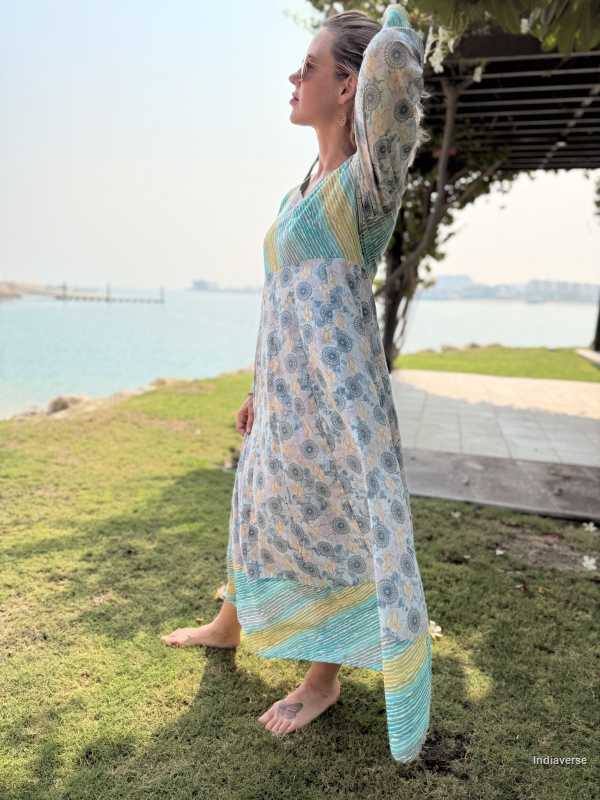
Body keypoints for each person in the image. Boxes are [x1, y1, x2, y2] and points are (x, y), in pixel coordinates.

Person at [161, 3, 432, 764]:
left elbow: (395, 81)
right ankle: (230, 622)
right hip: (284, 398)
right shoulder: (299, 189)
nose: (293, 77)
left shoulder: (364, 185)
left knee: (334, 531)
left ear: (349, 88)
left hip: (335, 406)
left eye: (310, 67)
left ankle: (322, 678)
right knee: (254, 506)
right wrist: (257, 385)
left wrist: (384, 31)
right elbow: (280, 298)